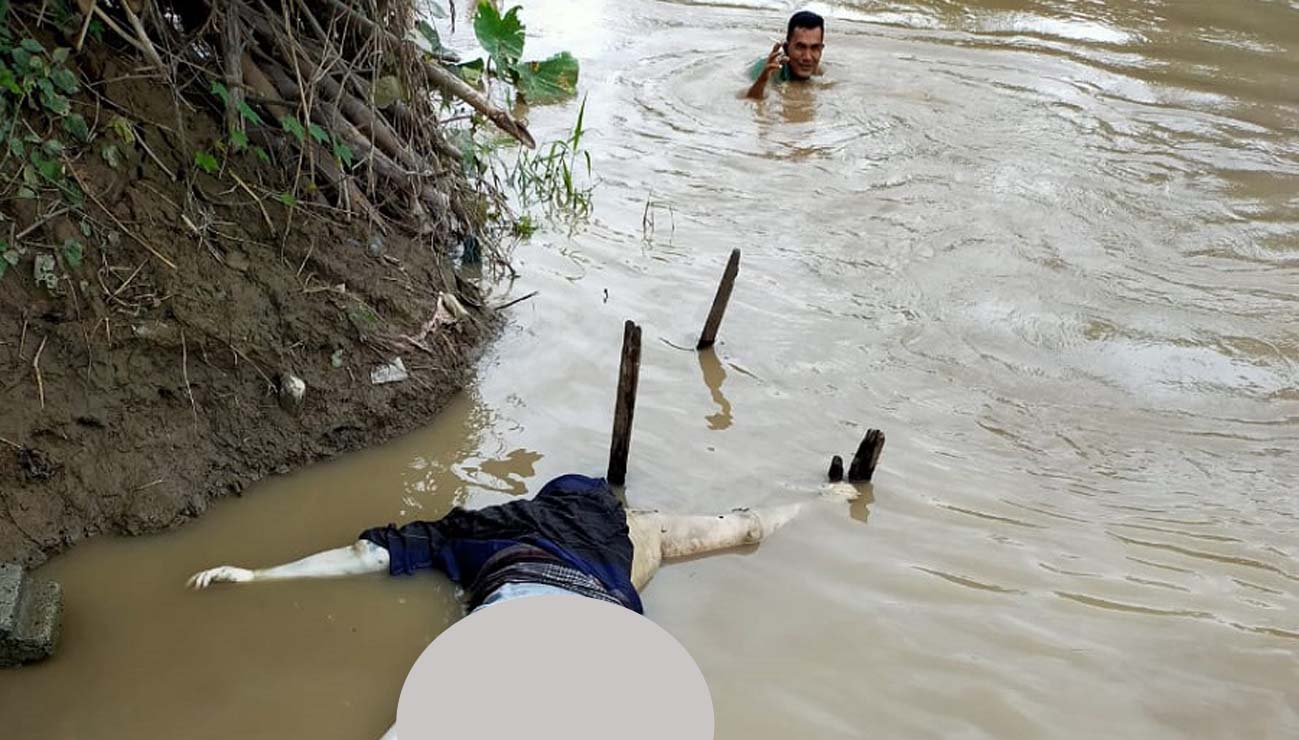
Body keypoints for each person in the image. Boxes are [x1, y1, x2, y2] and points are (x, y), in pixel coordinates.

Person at [188, 473, 809, 739]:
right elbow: (744, 530)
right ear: (608, 508)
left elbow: (368, 555)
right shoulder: (641, 533)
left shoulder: (486, 522)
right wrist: (819, 500)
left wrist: (259, 575)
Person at [746, 10, 826, 100]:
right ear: (786, 48)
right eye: (800, 47)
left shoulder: (819, 72)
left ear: (821, 49)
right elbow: (750, 99)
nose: (807, 57)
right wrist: (762, 80)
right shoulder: (766, 71)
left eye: (814, 48)